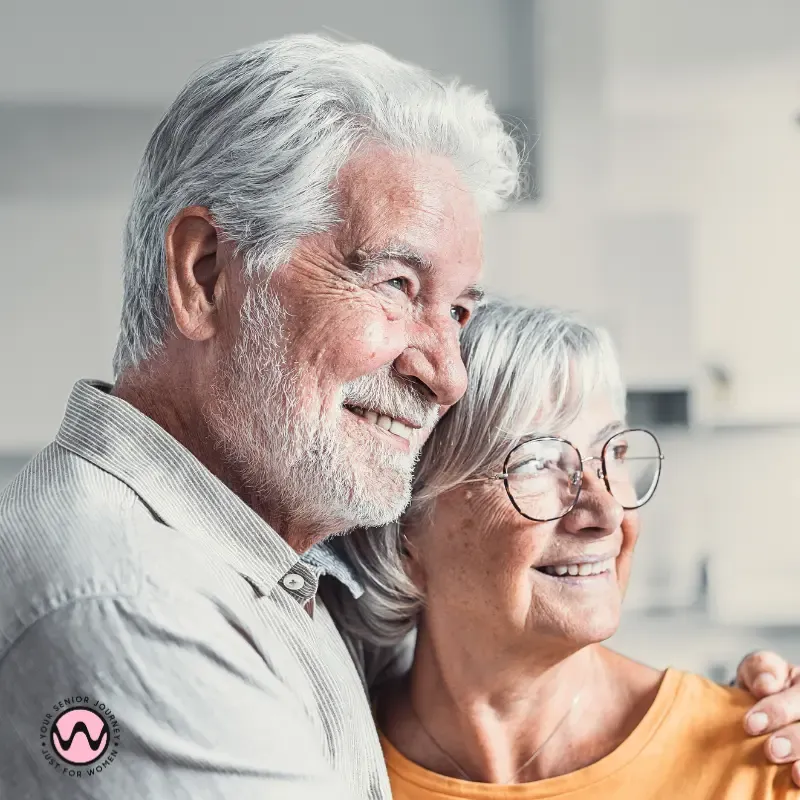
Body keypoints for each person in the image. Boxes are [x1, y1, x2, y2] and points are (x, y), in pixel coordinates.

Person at [0, 34, 796, 800]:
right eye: (395, 285)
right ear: (206, 274)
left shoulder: (271, 588)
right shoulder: (134, 604)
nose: (445, 372)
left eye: (457, 311)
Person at [328, 300, 800, 798]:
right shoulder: (321, 764)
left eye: (613, 452)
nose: (607, 512)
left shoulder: (764, 761)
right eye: (535, 462)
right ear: (403, 522)